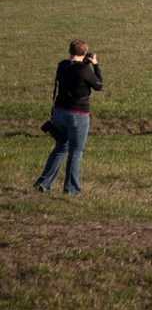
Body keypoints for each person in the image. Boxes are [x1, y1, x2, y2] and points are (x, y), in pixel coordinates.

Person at [34, 39, 103, 195]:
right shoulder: (84, 70)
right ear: (85, 53)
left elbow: (74, 75)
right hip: (77, 114)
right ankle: (71, 189)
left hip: (59, 112)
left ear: (70, 51)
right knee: (75, 151)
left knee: (60, 147)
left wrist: (84, 64)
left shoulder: (62, 65)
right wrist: (95, 65)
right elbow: (98, 85)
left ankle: (43, 183)